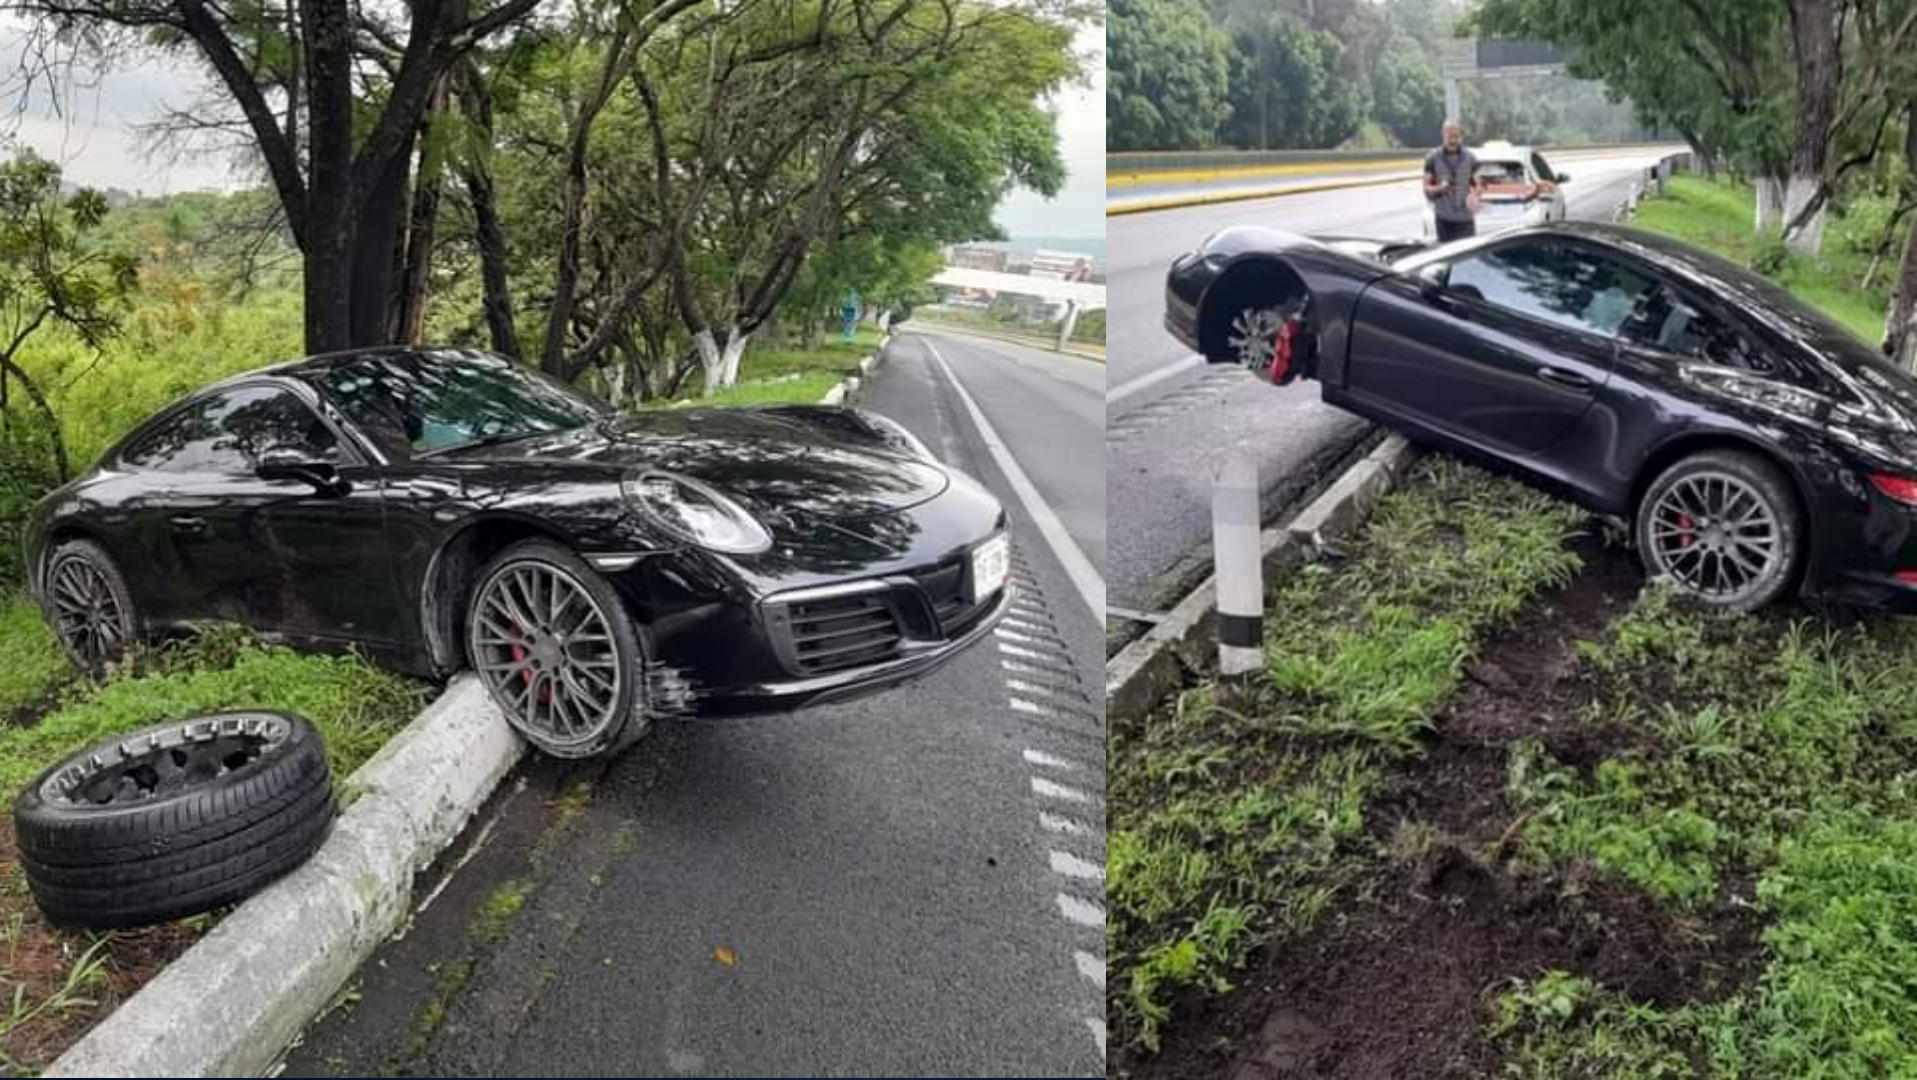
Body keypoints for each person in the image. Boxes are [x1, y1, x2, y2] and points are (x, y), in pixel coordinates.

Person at [1424, 120, 1481, 242]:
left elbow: (1478, 185)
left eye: (1456, 136)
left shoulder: (1470, 158)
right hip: (1444, 220)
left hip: (1465, 220)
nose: (1453, 140)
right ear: (1443, 135)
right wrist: (1440, 187)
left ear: (1461, 136)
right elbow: (1426, 188)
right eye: (1450, 136)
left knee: (1468, 256)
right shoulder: (1432, 158)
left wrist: (1474, 196)